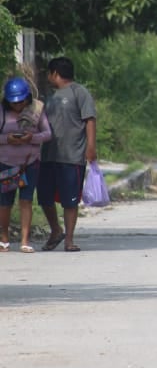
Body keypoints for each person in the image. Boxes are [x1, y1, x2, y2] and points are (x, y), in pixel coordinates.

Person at [36, 57, 97, 252]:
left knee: (70, 200)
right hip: (47, 155)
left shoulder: (80, 92)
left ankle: (69, 239)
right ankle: (56, 230)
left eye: (49, 73)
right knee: (44, 197)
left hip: (72, 155)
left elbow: (90, 120)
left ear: (55, 73)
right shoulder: (46, 96)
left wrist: (91, 146)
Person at [0, 77, 52, 253]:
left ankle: (24, 240)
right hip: (6, 163)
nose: (17, 106)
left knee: (26, 200)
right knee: (5, 202)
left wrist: (32, 138)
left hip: (29, 162)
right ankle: (4, 238)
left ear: (27, 98)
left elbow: (47, 134)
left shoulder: (37, 110)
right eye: (13, 103)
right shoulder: (2, 112)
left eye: (20, 102)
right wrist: (7, 139)